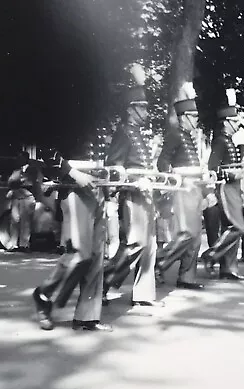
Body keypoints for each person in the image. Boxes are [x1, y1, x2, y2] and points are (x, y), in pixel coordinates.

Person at [32, 149, 112, 332]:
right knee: (79, 254)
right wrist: (73, 173)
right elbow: (46, 148)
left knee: (95, 257)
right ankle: (43, 295)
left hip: (97, 186)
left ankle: (87, 317)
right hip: (75, 187)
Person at [102, 63, 161, 307]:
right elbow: (114, 167)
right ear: (131, 110)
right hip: (132, 195)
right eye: (142, 108)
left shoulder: (138, 133)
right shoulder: (124, 132)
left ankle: (143, 295)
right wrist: (130, 184)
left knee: (150, 246)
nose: (146, 112)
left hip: (145, 194)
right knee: (136, 243)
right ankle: (105, 281)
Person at [155, 82, 208, 290]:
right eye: (193, 116)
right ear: (184, 116)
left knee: (194, 237)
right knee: (186, 233)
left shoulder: (188, 137)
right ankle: (160, 261)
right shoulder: (175, 134)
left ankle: (187, 277)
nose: (196, 120)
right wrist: (176, 179)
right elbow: (162, 162)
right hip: (183, 189)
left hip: (194, 189)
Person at [200, 89, 244, 281]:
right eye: (234, 121)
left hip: (234, 187)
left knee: (232, 227)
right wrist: (231, 172)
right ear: (226, 122)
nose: (237, 124)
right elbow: (212, 168)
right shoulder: (220, 141)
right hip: (226, 187)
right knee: (238, 227)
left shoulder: (230, 141)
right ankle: (211, 254)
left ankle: (229, 269)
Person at [7, 151, 37, 252]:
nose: (18, 160)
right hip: (17, 196)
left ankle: (24, 245)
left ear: (26, 158)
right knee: (14, 220)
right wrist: (17, 182)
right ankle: (13, 244)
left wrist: (16, 184)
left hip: (27, 196)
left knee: (26, 221)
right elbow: (10, 181)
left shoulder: (31, 169)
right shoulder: (16, 170)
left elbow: (29, 182)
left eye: (21, 158)